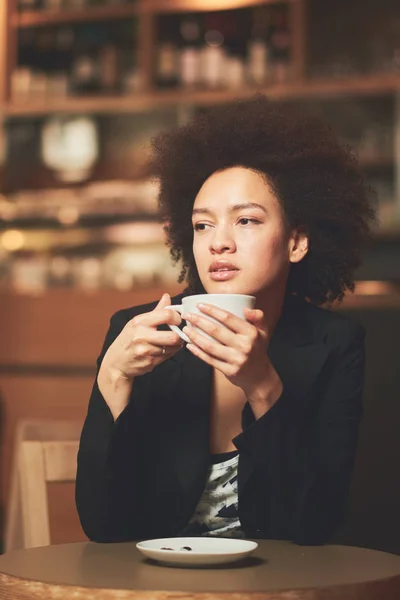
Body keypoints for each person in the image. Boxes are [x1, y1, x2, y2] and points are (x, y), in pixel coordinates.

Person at [76, 96, 376, 545]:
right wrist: (113, 379)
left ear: (297, 242)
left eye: (247, 221)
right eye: (202, 226)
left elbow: (315, 527)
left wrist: (263, 387)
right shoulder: (142, 332)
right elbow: (103, 527)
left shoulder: (335, 344)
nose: (219, 243)